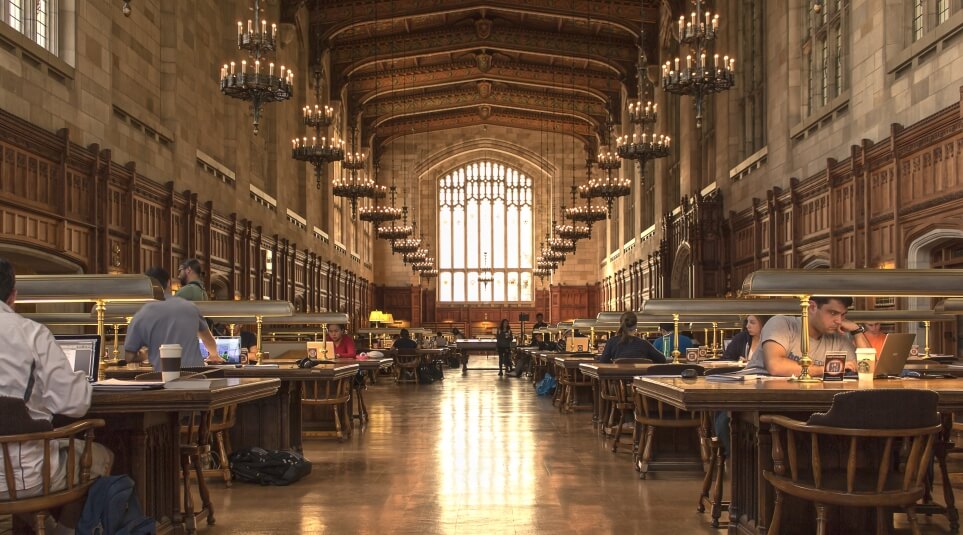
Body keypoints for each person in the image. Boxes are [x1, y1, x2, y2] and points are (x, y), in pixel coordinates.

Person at [0, 258, 113, 531]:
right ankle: (63, 530)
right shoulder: (31, 334)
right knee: (100, 456)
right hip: (24, 475)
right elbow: (74, 403)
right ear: (13, 295)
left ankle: (47, 527)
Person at [744, 296, 871, 376]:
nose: (839, 320)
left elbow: (868, 369)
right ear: (812, 307)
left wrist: (857, 331)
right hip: (759, 401)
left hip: (806, 401)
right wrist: (826, 369)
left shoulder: (838, 336)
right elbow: (776, 366)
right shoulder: (781, 324)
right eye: (833, 313)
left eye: (843, 315)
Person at [125, 266, 221, 369]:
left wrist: (149, 353)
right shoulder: (190, 307)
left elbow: (129, 356)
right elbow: (208, 339)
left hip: (164, 379)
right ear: (169, 282)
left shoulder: (141, 314)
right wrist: (214, 355)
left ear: (147, 285)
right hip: (195, 378)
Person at [597, 311, 667, 364]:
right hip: (639, 382)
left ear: (620, 324)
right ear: (636, 326)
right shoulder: (643, 343)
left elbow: (603, 362)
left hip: (619, 381)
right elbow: (662, 359)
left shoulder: (612, 342)